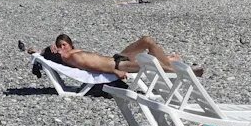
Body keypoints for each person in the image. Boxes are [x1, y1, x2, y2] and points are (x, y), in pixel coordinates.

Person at [39, 32, 192, 77]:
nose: (61, 48)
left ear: (71, 44)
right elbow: (94, 66)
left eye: (63, 45)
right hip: (118, 65)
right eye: (58, 47)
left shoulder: (73, 52)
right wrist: (115, 72)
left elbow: (37, 51)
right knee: (152, 61)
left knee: (147, 40)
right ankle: (174, 70)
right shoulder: (73, 57)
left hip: (117, 57)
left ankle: (169, 61)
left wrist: (39, 51)